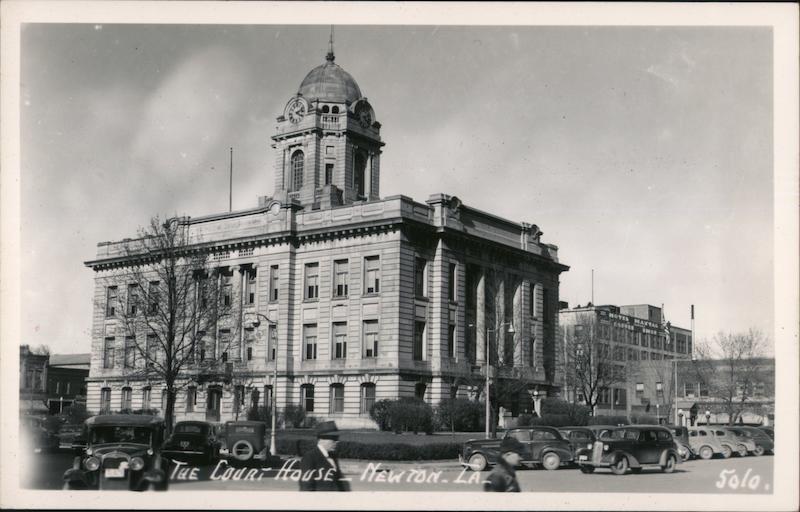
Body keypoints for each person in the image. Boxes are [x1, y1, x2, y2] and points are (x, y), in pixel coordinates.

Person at [298, 421, 350, 491]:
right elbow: (306, 486)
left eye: (337, 438)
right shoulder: (310, 457)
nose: (337, 442)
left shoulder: (333, 456)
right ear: (321, 439)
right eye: (333, 438)